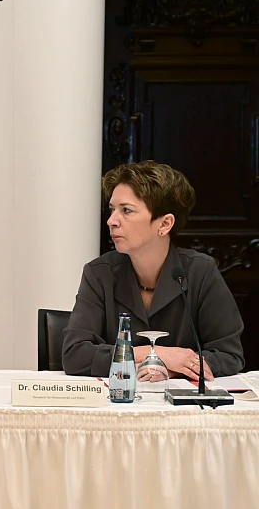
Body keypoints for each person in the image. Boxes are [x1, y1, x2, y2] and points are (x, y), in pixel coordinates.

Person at [62, 160, 244, 380]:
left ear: (165, 224)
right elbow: (75, 355)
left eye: (126, 210)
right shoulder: (99, 273)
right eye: (112, 210)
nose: (111, 221)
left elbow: (228, 355)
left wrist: (170, 370)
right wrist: (158, 355)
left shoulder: (200, 271)